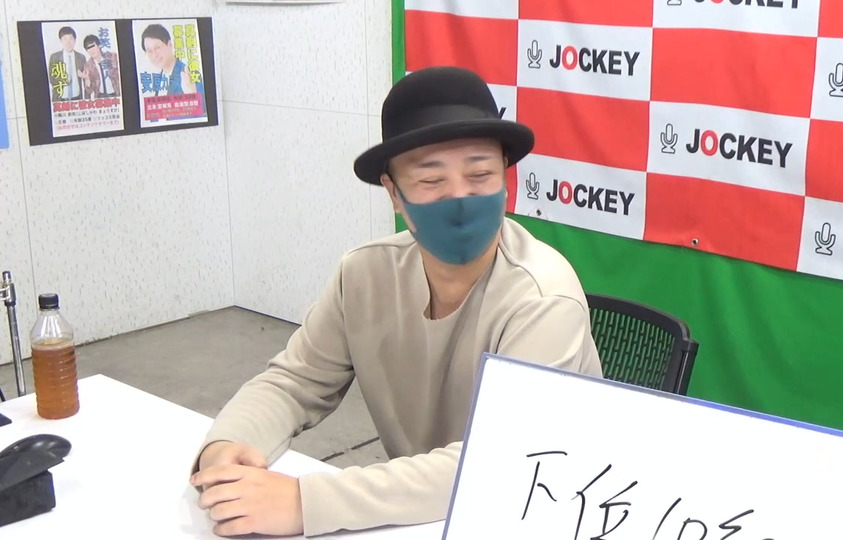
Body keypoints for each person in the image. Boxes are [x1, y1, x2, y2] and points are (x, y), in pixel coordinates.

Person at [188, 66, 604, 537]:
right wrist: (227, 447)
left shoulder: (543, 296)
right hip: (421, 517)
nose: (460, 196)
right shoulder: (363, 275)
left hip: (544, 516)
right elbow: (294, 382)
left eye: (480, 174)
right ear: (393, 193)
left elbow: (504, 459)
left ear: (506, 180)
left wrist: (306, 503)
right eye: (431, 180)